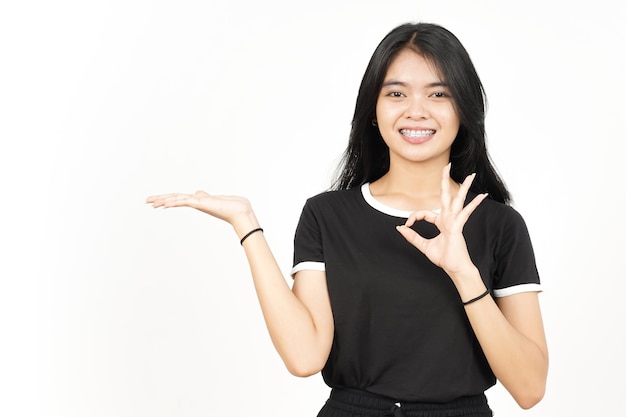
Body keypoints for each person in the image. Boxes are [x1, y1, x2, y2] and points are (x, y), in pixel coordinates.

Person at [146, 22, 548, 417]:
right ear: (373, 109)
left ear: (463, 107)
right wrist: (246, 224)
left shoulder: (499, 225)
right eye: (396, 93)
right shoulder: (327, 216)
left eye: (438, 93)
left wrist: (464, 273)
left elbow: (530, 389)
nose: (416, 111)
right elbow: (304, 357)